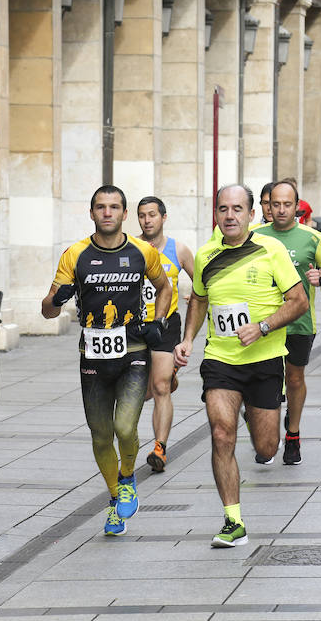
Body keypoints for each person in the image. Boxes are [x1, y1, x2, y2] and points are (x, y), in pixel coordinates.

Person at [173, 184, 308, 547]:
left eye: (237, 209)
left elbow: (299, 302)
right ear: (215, 214)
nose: (229, 215)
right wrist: (187, 339)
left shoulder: (271, 250)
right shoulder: (204, 256)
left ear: (251, 214)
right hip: (221, 360)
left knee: (266, 449)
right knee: (221, 434)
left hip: (264, 360)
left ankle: (255, 415)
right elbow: (199, 300)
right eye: (222, 209)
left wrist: (263, 326)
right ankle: (233, 521)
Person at [41, 185, 171, 536]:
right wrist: (59, 299)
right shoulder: (75, 255)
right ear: (92, 212)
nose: (108, 213)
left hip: (133, 353)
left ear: (125, 214)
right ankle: (116, 499)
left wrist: (158, 321)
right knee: (100, 436)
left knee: (125, 428)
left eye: (115, 207)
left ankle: (127, 480)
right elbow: (47, 312)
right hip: (93, 357)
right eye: (101, 207)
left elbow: (165, 288)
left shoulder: (142, 251)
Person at [256, 181, 321, 465]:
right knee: (266, 382)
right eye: (274, 204)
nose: (280, 210)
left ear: (297, 206)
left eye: (286, 205)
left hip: (299, 323)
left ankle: (293, 434)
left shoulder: (311, 237)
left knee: (294, 379)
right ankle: (266, 436)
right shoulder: (254, 235)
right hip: (264, 322)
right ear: (267, 205)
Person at [136, 196, 195, 473]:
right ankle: (166, 375)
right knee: (140, 391)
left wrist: (193, 297)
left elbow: (203, 285)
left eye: (152, 215)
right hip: (134, 326)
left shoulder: (179, 250)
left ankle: (160, 448)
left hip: (166, 325)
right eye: (142, 216)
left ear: (163, 217)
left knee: (160, 387)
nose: (147, 221)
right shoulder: (131, 247)